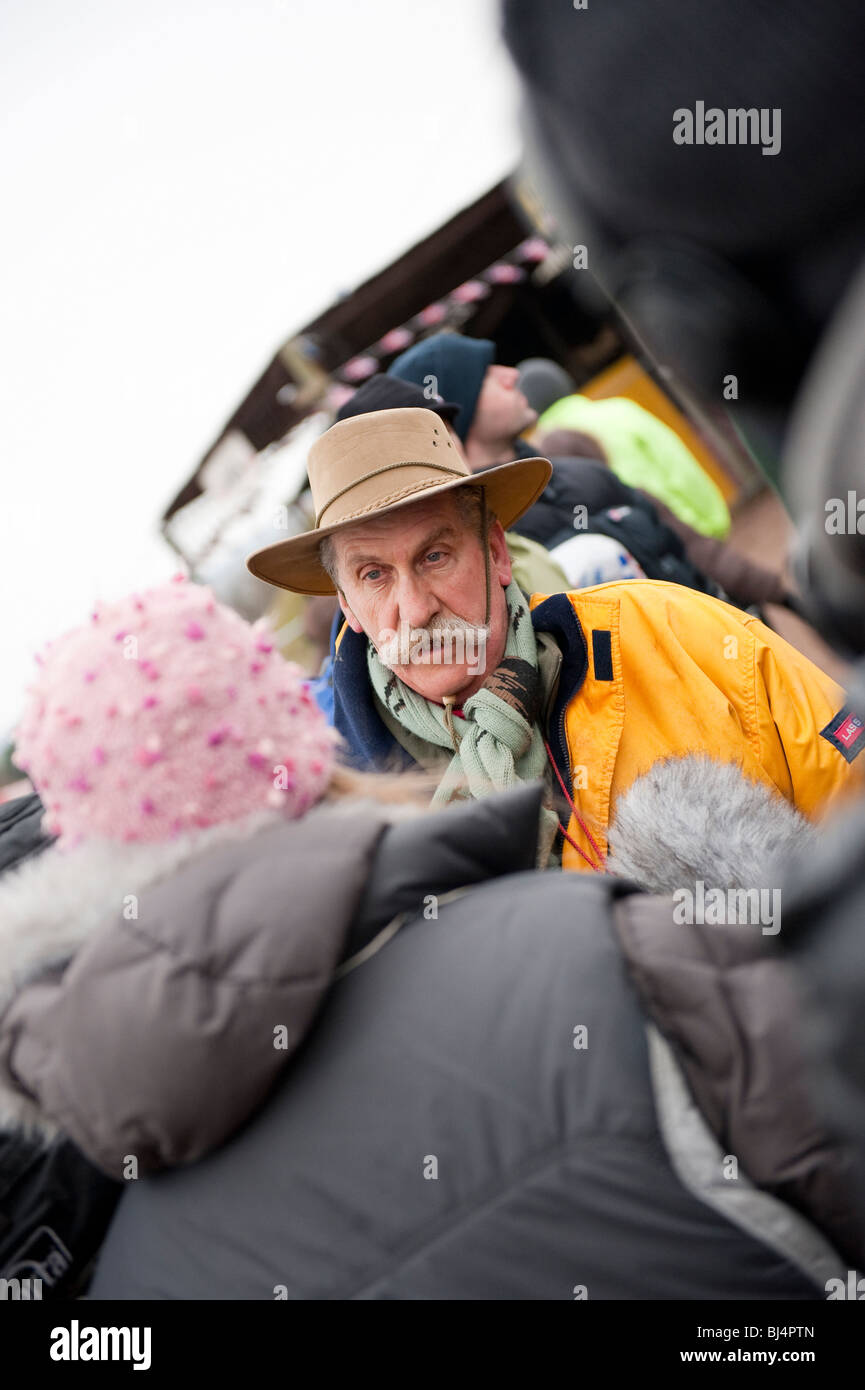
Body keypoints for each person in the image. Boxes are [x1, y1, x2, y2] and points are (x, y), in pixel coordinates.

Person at [246, 405, 865, 873]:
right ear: (348, 607)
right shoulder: (358, 820)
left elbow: (850, 784)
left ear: (495, 552)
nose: (413, 610)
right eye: (373, 575)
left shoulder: (671, 630)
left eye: (435, 555)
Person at [388, 332, 795, 607]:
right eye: (486, 376)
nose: (512, 375)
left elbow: (690, 547)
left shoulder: (582, 473)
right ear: (456, 413)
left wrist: (777, 595)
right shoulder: (488, 543)